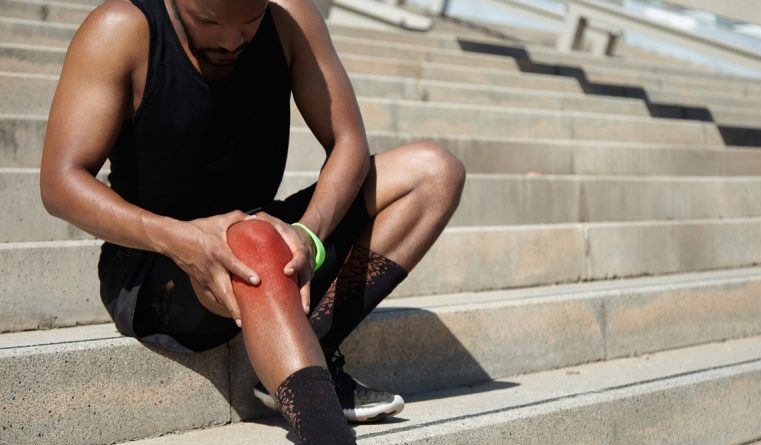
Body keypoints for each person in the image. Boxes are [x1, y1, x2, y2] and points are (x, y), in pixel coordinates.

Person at [40, 0, 465, 442]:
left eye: (250, 23)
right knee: (254, 237)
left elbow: (348, 141)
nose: (229, 41)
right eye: (207, 23)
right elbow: (60, 182)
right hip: (157, 261)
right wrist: (181, 239)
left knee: (433, 172)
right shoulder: (121, 28)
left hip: (265, 236)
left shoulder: (290, 18)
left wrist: (308, 232)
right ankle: (323, 430)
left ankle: (311, 345)